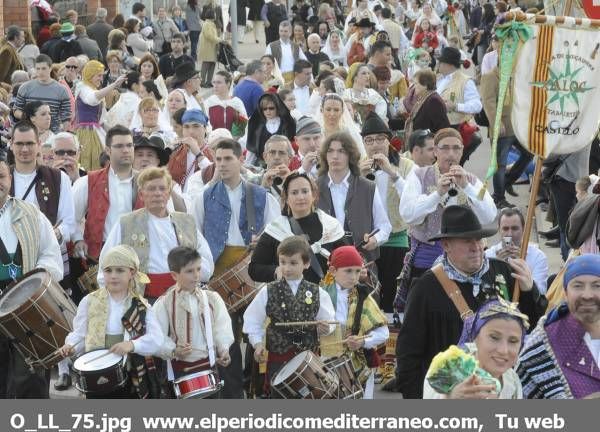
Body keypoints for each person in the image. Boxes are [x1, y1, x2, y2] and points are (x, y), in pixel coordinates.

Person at [394, 205, 546, 398]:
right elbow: (408, 356)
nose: (476, 247)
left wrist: (529, 291)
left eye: (478, 239)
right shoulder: (426, 288)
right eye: (467, 241)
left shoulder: (504, 272)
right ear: (446, 245)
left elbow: (532, 326)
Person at [59, 245, 165, 399]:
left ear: (132, 272)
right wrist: (71, 347)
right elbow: (81, 335)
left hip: (128, 378)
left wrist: (132, 345)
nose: (113, 276)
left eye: (120, 270)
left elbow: (157, 339)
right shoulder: (89, 301)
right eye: (108, 270)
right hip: (95, 375)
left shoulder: (141, 306)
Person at [398, 128, 496, 292]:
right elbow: (408, 214)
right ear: (435, 151)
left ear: (462, 151)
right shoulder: (419, 176)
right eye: (445, 148)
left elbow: (489, 215)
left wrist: (467, 187)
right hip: (426, 257)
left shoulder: (470, 179)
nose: (450, 154)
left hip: (465, 258)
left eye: (456, 148)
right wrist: (437, 194)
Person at [0, 141, 63, 398]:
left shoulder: (31, 214)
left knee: (31, 386)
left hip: (28, 311)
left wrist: (29, 288)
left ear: (9, 177)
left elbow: (51, 256)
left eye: (1, 176)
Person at [100, 167, 213, 303]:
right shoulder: (126, 223)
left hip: (184, 297)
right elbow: (106, 261)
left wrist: (190, 276)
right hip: (142, 299)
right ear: (141, 194)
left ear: (169, 192)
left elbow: (206, 263)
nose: (157, 193)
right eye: (151, 189)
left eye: (162, 188)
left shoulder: (187, 222)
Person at [243, 236, 336, 396]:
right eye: (283, 262)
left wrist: (326, 327)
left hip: (308, 360)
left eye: (293, 263)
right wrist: (257, 344)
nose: (286, 268)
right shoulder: (267, 291)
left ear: (306, 264)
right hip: (277, 358)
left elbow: (329, 321)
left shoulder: (318, 292)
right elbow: (252, 321)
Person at [153, 246, 233, 397]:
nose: (196, 275)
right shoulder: (164, 303)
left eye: (198, 269)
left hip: (208, 368)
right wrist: (173, 350)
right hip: (180, 372)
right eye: (189, 271)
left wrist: (223, 349)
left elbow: (222, 327)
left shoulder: (212, 298)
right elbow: (156, 336)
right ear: (174, 275)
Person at [518, 254, 600, 399]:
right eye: (578, 286)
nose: (587, 295)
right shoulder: (541, 347)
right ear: (566, 293)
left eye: (597, 286)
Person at [250, 171, 346, 284]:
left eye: (305, 191)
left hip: (327, 297)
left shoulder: (331, 226)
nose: (300, 197)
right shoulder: (277, 229)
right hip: (288, 297)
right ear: (286, 198)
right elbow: (254, 269)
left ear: (314, 195)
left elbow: (348, 260)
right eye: (294, 193)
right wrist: (277, 271)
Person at [359, 112, 413, 313]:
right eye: (369, 140)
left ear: (388, 141)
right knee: (366, 291)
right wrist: (358, 176)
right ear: (363, 143)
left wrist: (391, 172)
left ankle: (390, 332)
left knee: (392, 289)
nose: (375, 145)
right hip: (365, 238)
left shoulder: (405, 165)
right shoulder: (357, 166)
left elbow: (412, 197)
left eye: (380, 139)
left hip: (396, 236)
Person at [423, 297, 529, 399]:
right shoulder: (448, 369)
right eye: (494, 337)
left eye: (513, 341)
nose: (503, 350)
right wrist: (450, 398)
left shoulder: (513, 381)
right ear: (475, 336)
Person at [321, 246, 389, 398]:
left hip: (359, 363)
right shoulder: (320, 294)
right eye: (348, 271)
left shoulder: (364, 296)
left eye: (358, 271)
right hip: (325, 363)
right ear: (332, 270)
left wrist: (361, 342)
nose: (353, 277)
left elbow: (383, 333)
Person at [317, 131, 392, 264]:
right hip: (323, 264)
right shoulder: (314, 187)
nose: (335, 156)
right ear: (324, 155)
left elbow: (384, 225)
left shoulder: (368, 187)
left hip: (361, 266)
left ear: (350, 155)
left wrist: (375, 240)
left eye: (341, 151)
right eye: (330, 151)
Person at [72, 125, 144, 261]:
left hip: (138, 256)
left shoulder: (147, 182)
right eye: (119, 146)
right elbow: (71, 218)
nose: (126, 150)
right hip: (100, 257)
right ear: (108, 150)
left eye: (129, 145)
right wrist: (77, 239)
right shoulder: (88, 181)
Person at [480, 64, 532, 209]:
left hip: (516, 126)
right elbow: (488, 102)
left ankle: (507, 181)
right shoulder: (490, 77)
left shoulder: (515, 75)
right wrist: (496, 122)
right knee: (500, 164)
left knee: (529, 153)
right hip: (501, 127)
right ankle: (498, 197)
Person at [74, 60, 126, 171]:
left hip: (97, 131)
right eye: (98, 75)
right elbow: (92, 99)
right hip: (85, 133)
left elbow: (102, 120)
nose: (101, 79)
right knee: (89, 164)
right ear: (90, 74)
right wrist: (114, 85)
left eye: (102, 76)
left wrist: (116, 132)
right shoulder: (82, 88)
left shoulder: (92, 90)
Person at [485, 208, 549, 294]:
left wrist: (523, 266)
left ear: (523, 230)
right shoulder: (488, 255)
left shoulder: (538, 257)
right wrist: (497, 267)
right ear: (499, 230)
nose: (510, 234)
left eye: (515, 229)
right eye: (505, 229)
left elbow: (541, 293)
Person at [436, 47, 482, 166]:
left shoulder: (465, 81)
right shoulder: (439, 79)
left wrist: (456, 106)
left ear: (448, 64)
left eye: (440, 62)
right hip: (440, 127)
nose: (438, 64)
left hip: (455, 128)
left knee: (451, 165)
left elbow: (477, 105)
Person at [14, 54, 71, 133]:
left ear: (50, 68)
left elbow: (66, 117)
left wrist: (63, 134)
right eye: (38, 69)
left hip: (53, 134)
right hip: (30, 133)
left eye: (44, 68)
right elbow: (16, 110)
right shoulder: (25, 88)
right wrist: (31, 118)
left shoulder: (62, 90)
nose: (40, 72)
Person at [166, 109, 213, 193]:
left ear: (205, 129)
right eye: (186, 127)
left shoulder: (212, 152)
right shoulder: (176, 152)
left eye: (196, 126)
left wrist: (198, 153)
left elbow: (213, 177)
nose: (191, 132)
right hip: (178, 201)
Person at [246, 93, 296, 166]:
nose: (268, 111)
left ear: (277, 107)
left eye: (271, 108)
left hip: (283, 164)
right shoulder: (256, 125)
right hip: (261, 165)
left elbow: (291, 146)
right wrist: (248, 166)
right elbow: (252, 149)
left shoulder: (286, 124)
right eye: (264, 109)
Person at [402, 69, 450, 138]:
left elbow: (442, 128)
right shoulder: (424, 98)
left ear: (425, 85)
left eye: (416, 83)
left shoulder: (433, 101)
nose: (413, 87)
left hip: (428, 144)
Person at [204, 71, 248, 137]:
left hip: (233, 141)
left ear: (228, 84)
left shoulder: (237, 102)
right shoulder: (209, 102)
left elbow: (244, 124)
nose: (215, 86)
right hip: (214, 140)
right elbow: (205, 124)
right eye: (214, 82)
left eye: (219, 82)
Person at [198, 7, 221, 89]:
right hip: (207, 48)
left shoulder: (211, 23)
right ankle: (202, 81)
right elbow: (209, 36)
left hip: (211, 47)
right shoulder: (207, 24)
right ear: (211, 15)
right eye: (214, 14)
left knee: (212, 64)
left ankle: (209, 81)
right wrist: (219, 40)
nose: (215, 15)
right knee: (206, 64)